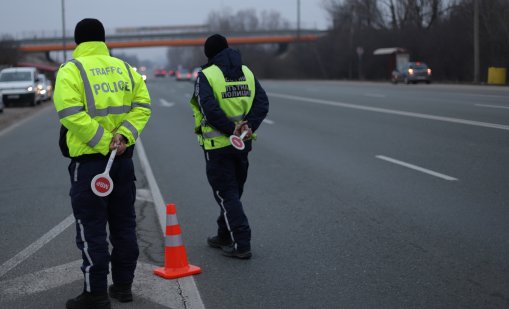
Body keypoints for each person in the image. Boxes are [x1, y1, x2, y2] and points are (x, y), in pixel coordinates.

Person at [53, 18, 151, 309]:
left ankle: (95, 294)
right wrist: (122, 138)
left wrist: (103, 140)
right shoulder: (125, 69)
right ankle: (123, 287)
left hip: (90, 165)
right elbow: (143, 105)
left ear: (77, 42)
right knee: (124, 225)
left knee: (91, 228)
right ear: (103, 39)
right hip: (122, 162)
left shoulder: (71, 70)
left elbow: (70, 113)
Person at [189, 34, 269, 259]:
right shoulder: (247, 73)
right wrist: (246, 127)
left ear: (209, 55)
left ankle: (241, 242)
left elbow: (208, 109)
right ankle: (223, 234)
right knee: (233, 191)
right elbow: (262, 103)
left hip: (217, 145)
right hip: (243, 144)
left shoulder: (207, 75)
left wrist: (230, 129)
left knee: (226, 194)